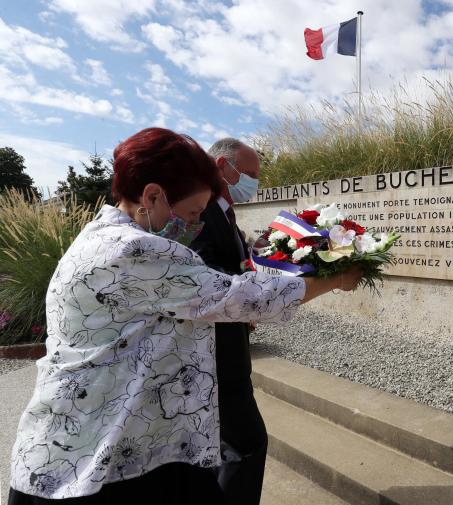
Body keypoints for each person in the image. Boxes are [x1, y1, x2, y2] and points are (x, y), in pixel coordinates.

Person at [7, 127, 361, 505]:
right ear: (152, 196)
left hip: (114, 436)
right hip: (98, 455)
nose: (193, 225)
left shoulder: (100, 234)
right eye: (192, 213)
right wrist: (335, 278)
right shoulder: (133, 249)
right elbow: (241, 297)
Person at [188, 138, 268, 505]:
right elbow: (206, 275)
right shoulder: (200, 212)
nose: (254, 182)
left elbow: (229, 261)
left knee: (231, 448)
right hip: (216, 356)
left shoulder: (223, 210)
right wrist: (252, 293)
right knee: (245, 446)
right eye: (249, 173)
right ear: (223, 166)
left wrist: (254, 252)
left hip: (228, 346)